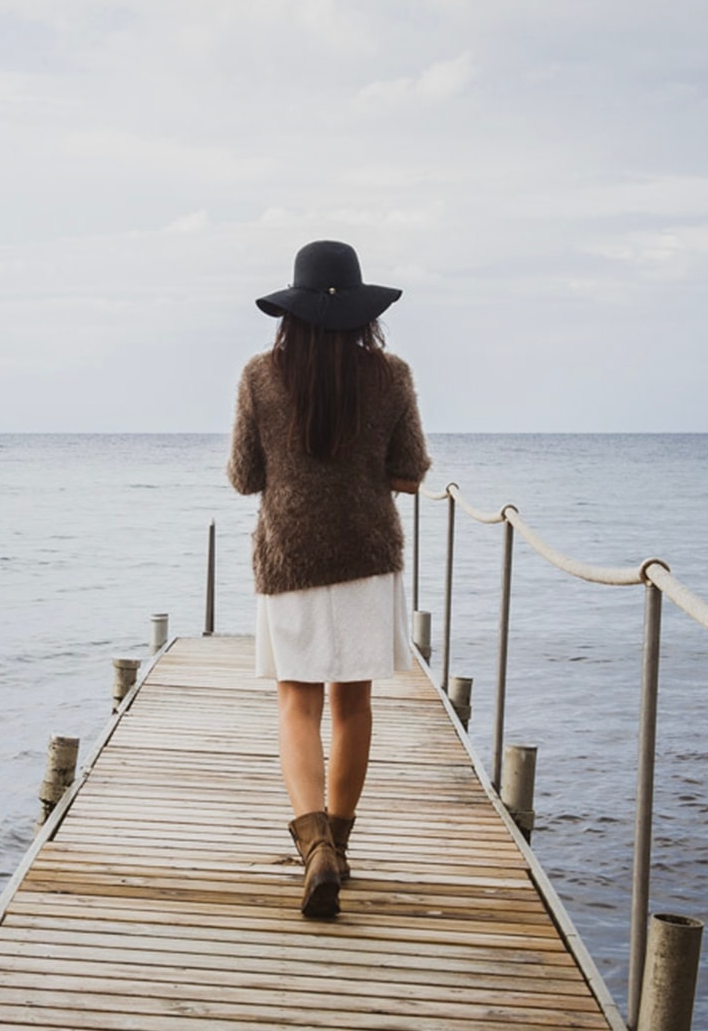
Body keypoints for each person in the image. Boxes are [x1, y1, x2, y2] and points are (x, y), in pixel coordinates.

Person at [227, 239, 430, 919]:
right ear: (363, 311)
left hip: (289, 558)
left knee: (297, 703)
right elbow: (409, 472)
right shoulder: (391, 376)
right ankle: (337, 845)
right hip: (367, 556)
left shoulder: (260, 376)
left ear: (292, 310)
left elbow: (244, 478)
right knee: (352, 705)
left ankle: (311, 846)